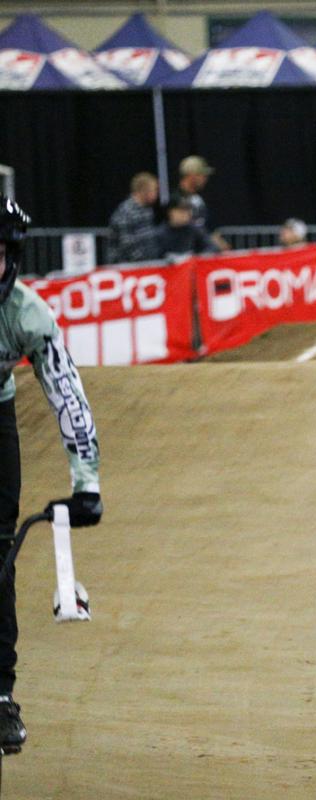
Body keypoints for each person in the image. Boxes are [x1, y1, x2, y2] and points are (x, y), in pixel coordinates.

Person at [0, 196, 104, 752]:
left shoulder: (28, 314)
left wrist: (86, 484)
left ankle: (0, 697)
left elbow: (67, 394)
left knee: (0, 557)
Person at [177, 155, 230, 252]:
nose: (205, 179)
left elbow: (206, 225)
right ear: (192, 175)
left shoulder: (198, 199)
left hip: (204, 252)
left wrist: (216, 239)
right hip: (189, 253)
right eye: (203, 175)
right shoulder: (176, 201)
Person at [107, 171, 160, 264]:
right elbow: (127, 243)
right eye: (154, 190)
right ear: (144, 190)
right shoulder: (126, 212)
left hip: (147, 264)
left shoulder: (147, 210)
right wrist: (144, 263)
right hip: (126, 266)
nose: (156, 194)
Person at [155, 194, 218, 260]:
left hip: (191, 267)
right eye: (181, 211)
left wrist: (199, 257)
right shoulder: (160, 233)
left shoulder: (194, 229)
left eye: (188, 211)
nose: (185, 214)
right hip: (169, 268)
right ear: (170, 212)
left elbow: (212, 247)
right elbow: (155, 256)